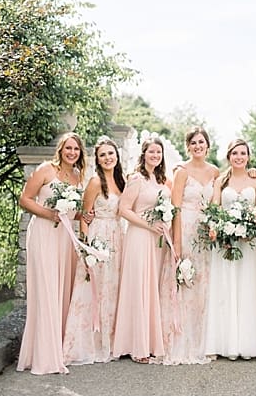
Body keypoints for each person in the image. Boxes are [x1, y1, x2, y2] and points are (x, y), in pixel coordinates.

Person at [17, 132, 87, 374]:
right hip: (44, 233)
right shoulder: (47, 169)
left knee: (61, 290)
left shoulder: (77, 176)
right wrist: (49, 214)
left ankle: (59, 348)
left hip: (64, 238)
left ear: (80, 153)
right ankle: (44, 356)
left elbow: (71, 211)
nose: (72, 152)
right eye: (68, 148)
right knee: (47, 290)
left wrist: (83, 215)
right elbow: (25, 199)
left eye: (76, 149)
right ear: (61, 149)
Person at [202, 138, 256, 360]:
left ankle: (248, 343)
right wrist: (222, 229)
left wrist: (250, 227)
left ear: (248, 156)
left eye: (243, 153)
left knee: (248, 288)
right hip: (226, 243)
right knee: (226, 287)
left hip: (249, 243)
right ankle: (225, 343)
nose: (239, 157)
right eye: (235, 153)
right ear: (228, 156)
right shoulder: (221, 180)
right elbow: (214, 208)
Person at [63, 137, 126, 364]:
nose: (108, 158)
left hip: (117, 237)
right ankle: (90, 343)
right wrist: (87, 249)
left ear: (116, 156)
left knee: (113, 286)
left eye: (111, 153)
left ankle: (112, 341)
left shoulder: (121, 181)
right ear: (98, 160)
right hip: (99, 237)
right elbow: (85, 217)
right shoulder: (95, 182)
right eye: (103, 155)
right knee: (97, 288)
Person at [112, 136, 173, 364]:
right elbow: (123, 209)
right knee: (138, 287)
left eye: (158, 152)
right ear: (144, 154)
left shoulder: (161, 181)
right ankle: (136, 346)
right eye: (151, 152)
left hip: (157, 241)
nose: (155, 156)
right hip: (139, 237)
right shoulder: (136, 178)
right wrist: (149, 225)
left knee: (151, 288)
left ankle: (149, 341)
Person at [163, 126, 219, 365]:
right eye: (193, 143)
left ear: (208, 145)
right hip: (185, 227)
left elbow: (216, 203)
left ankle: (204, 338)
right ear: (188, 147)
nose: (198, 146)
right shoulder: (182, 171)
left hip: (206, 231)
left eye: (201, 142)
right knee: (185, 280)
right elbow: (175, 208)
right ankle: (181, 337)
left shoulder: (215, 171)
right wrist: (176, 241)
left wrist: (214, 223)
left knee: (204, 282)